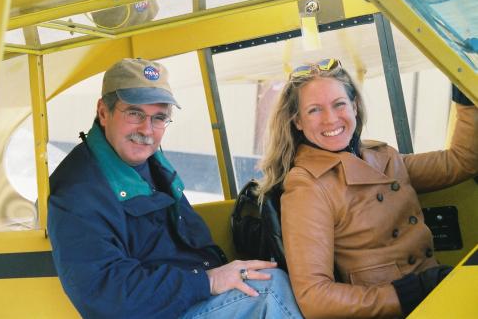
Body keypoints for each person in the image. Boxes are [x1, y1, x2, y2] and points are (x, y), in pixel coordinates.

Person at [48, 58, 303, 319]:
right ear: (104, 112)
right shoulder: (77, 191)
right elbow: (105, 294)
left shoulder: (150, 162)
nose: (146, 129)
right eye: (135, 113)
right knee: (269, 292)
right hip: (161, 311)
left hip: (188, 298)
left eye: (159, 118)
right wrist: (208, 282)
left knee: (276, 275)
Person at [258, 58, 477, 318]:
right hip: (398, 309)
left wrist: (465, 93)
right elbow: (314, 298)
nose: (330, 119)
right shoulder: (307, 185)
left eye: (339, 104)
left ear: (354, 106)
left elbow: (461, 161)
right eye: (315, 110)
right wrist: (409, 292)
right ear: (297, 122)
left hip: (436, 295)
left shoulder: (383, 156)